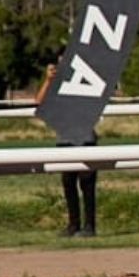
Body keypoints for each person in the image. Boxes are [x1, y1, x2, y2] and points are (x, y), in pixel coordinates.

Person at [36, 60, 97, 237]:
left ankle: (89, 226)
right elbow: (39, 102)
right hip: (65, 139)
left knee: (87, 184)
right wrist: (48, 80)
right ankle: (73, 224)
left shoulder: (86, 81)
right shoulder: (57, 86)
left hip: (85, 138)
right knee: (68, 183)